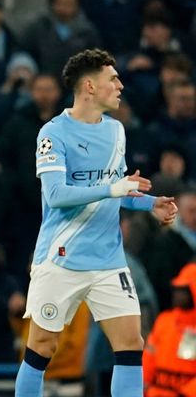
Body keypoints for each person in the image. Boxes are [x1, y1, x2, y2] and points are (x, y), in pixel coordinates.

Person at [15, 48, 180, 396]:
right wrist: (112, 188)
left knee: (131, 343)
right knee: (41, 347)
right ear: (90, 86)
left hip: (108, 260)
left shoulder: (116, 131)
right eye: (113, 79)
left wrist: (150, 203)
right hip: (61, 257)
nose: (120, 86)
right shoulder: (53, 133)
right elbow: (56, 194)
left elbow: (118, 191)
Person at [143, 263, 196, 396]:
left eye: (183, 290)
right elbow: (148, 359)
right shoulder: (164, 320)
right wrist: (141, 386)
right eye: (176, 289)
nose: (177, 294)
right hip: (156, 392)